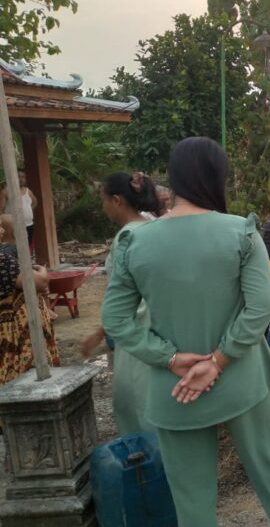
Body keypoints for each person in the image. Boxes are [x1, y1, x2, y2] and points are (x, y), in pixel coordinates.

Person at [101, 137, 270, 527]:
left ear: (175, 179)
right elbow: (260, 308)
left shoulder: (134, 242)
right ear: (219, 176)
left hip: (175, 387)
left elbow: (116, 321)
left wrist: (167, 357)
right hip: (243, 379)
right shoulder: (241, 232)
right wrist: (218, 360)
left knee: (192, 499)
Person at [81, 171, 160, 435]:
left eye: (104, 201)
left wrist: (102, 331)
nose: (103, 208)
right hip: (162, 328)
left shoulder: (125, 238)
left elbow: (125, 301)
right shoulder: (154, 227)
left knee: (136, 403)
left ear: (117, 200)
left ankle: (146, 465)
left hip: (136, 334)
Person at [0, 226, 59, 385]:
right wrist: (43, 271)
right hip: (16, 335)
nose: (2, 231)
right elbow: (40, 282)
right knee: (25, 382)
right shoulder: (3, 260)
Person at [1, 170, 37, 250]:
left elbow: (34, 202)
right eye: (18, 177)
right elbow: (1, 209)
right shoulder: (6, 191)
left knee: (28, 245)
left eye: (23, 177)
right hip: (14, 226)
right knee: (16, 247)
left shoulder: (28, 191)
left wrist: (28, 211)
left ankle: (27, 261)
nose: (21, 179)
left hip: (29, 224)